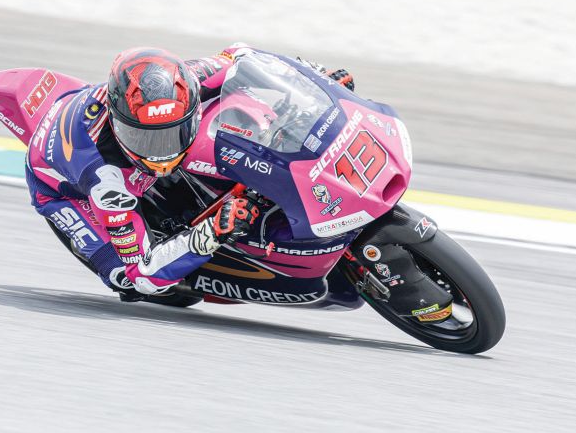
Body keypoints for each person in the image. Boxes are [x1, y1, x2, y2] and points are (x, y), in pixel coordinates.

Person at [25, 43, 354, 302]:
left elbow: (244, 56)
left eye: (172, 133)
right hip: (63, 191)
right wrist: (212, 231)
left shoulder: (191, 78)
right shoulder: (105, 181)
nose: (161, 151)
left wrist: (315, 80)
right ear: (118, 123)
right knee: (127, 280)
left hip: (125, 139)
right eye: (145, 138)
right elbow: (141, 272)